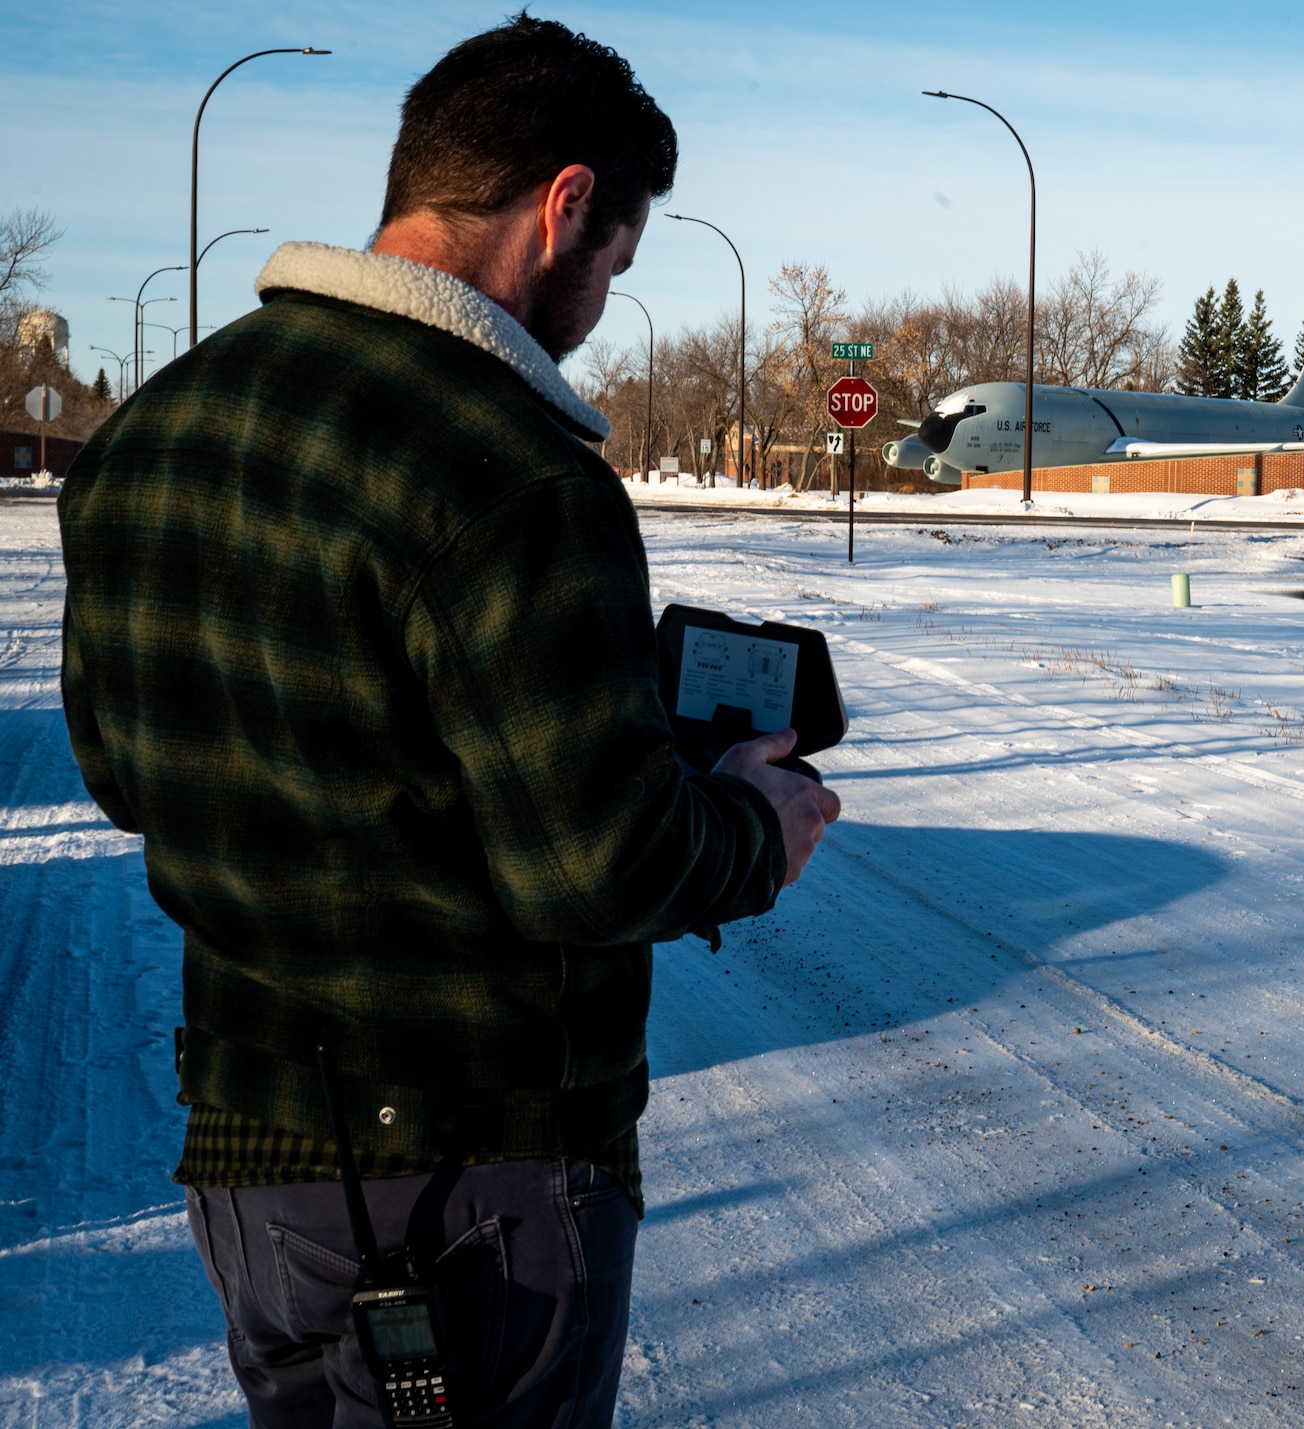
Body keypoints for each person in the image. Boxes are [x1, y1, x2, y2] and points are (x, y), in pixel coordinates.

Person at [57, 16, 838, 1426]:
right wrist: (747, 829)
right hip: (479, 1187)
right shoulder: (513, 471)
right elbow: (591, 860)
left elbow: (126, 770)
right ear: (567, 205)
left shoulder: (148, 435)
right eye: (615, 261)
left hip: (254, 1172)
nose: (602, 302)